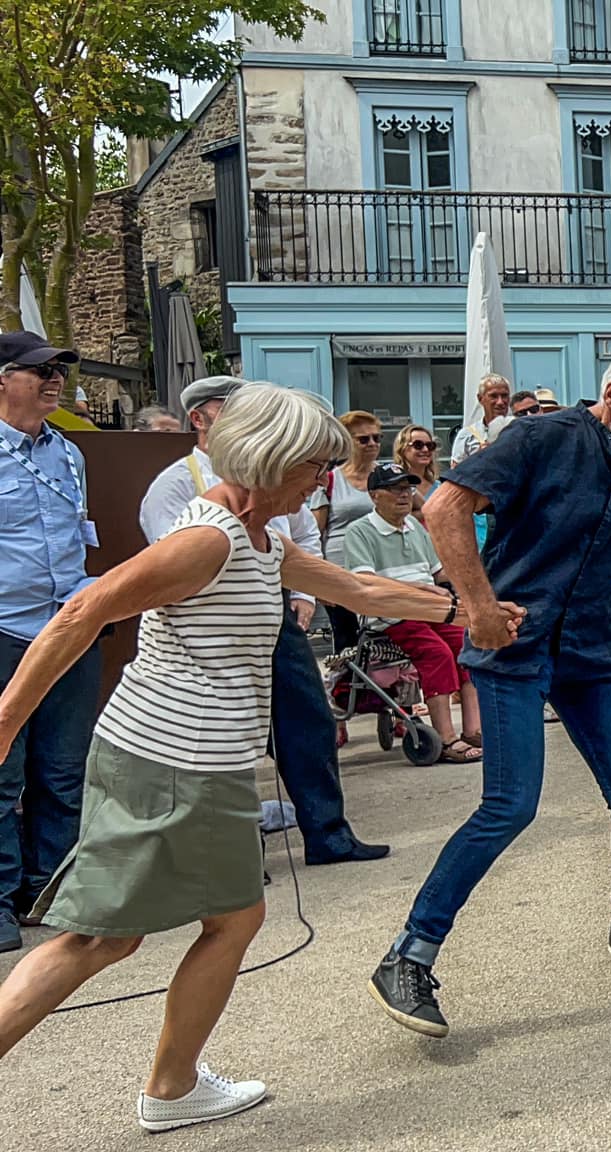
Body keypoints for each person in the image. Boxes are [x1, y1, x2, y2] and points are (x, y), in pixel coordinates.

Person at [0, 383, 520, 1132]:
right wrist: (7, 725)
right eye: (314, 466)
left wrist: (465, 609)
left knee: (231, 918)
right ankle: (172, 1088)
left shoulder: (260, 538)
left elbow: (351, 586)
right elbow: (81, 611)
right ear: (271, 458)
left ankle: (175, 1086)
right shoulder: (207, 539)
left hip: (196, 764)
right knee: (102, 938)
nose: (322, 481)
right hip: (166, 760)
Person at [370, 347, 611, 1038]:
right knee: (510, 807)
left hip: (590, 651)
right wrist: (479, 604)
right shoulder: (539, 437)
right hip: (514, 647)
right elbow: (443, 508)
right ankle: (408, 956)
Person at [138, 375, 390, 868]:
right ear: (199, 418)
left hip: (273, 608)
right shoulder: (178, 486)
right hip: (213, 622)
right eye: (228, 407)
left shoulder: (278, 474)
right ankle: (232, 846)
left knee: (307, 721)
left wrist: (300, 594)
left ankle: (327, 833)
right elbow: (160, 568)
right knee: (224, 732)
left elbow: (300, 539)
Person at [0, 333, 98, 953]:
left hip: (69, 626)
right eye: (38, 371)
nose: (54, 379)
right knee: (2, 775)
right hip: (5, 629)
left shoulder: (68, 452)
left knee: (65, 771)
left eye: (59, 369)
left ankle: (52, 887)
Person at [343, 462, 482, 757]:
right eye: (395, 489)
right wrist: (420, 590)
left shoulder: (414, 528)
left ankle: (474, 730)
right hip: (390, 614)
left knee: (468, 644)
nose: (405, 495)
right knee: (437, 653)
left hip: (429, 609)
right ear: (374, 495)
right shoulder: (360, 531)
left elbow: (439, 571)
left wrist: (476, 577)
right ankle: (445, 738)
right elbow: (366, 582)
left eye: (407, 488)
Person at [310, 410, 380, 652]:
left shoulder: (387, 475)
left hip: (380, 567)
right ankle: (345, 688)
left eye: (376, 438)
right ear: (348, 443)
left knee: (383, 640)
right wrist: (318, 577)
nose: (372, 444)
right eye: (364, 439)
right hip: (340, 569)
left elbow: (423, 509)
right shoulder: (330, 479)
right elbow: (314, 530)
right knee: (347, 640)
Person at [450, 373, 512, 464]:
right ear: (480, 399)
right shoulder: (467, 435)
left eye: (504, 396)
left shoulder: (520, 430)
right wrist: (477, 457)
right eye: (493, 396)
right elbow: (454, 473)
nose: (500, 402)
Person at [392, 422, 440, 507]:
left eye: (430, 445)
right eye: (418, 445)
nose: (425, 450)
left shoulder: (439, 487)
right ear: (402, 448)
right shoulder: (394, 486)